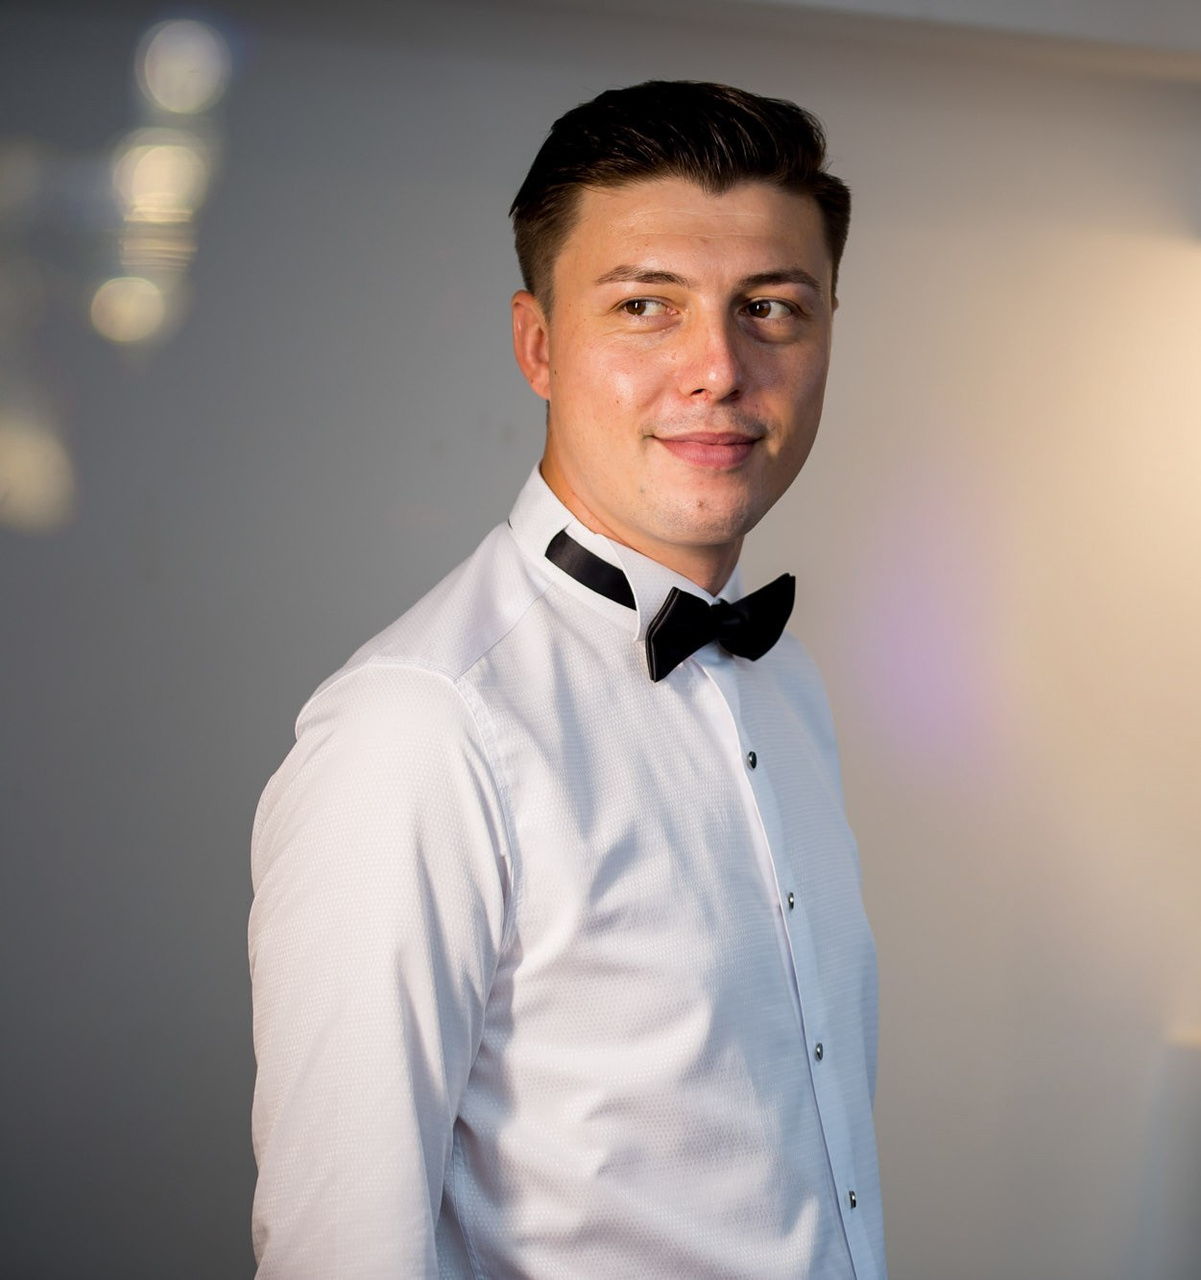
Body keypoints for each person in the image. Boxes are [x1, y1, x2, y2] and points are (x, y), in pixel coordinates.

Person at [247, 82, 884, 1278]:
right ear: (539, 345)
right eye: (646, 306)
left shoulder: (787, 684)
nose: (718, 368)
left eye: (771, 308)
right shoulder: (418, 729)